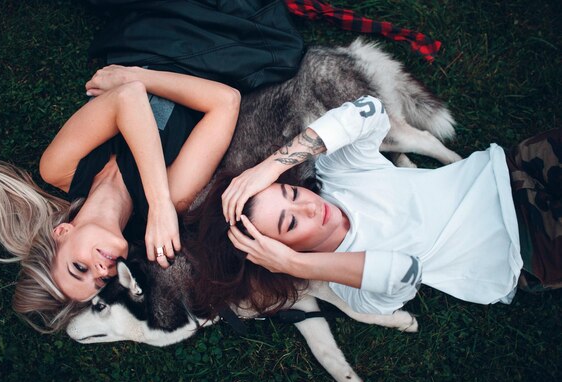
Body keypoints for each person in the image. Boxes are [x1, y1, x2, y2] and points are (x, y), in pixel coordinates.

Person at [190, 96, 561, 317]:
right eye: (290, 225)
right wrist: (293, 266)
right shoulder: (355, 287)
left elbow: (368, 111)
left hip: (512, 167)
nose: (309, 208)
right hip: (529, 245)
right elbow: (405, 272)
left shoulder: (339, 175)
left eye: (293, 195)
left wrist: (272, 166)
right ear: (278, 252)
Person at [0, 65, 240, 332]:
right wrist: (139, 76)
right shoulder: (171, 200)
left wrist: (159, 205)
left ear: (62, 233)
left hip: (144, 29)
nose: (102, 271)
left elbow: (128, 99)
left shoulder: (59, 168)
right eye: (100, 282)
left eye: (79, 268)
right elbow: (226, 102)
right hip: (205, 53)